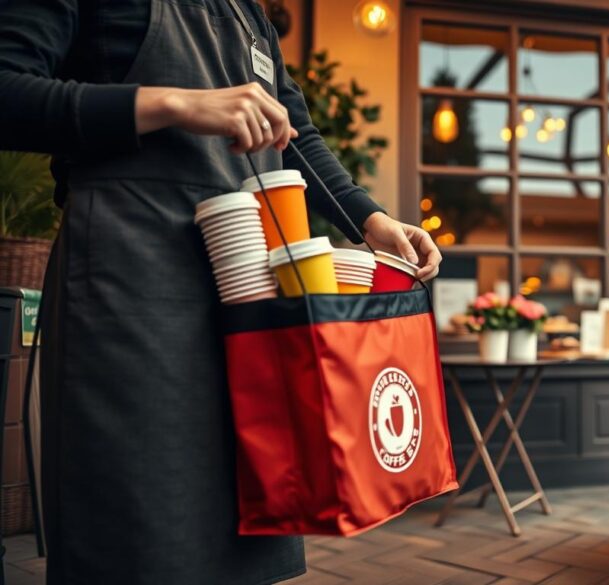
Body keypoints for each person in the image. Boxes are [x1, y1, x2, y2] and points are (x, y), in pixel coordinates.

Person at [0, 0, 441, 583]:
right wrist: (172, 102)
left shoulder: (246, 12)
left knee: (253, 514)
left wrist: (369, 218)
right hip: (131, 284)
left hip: (249, 293)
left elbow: (293, 134)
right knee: (140, 533)